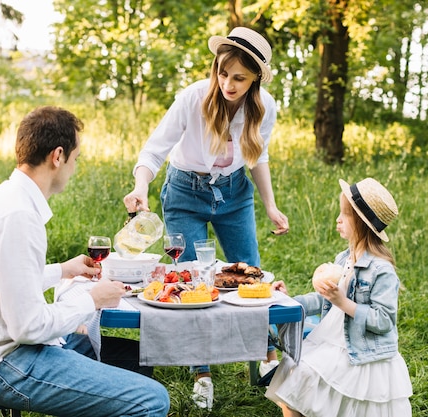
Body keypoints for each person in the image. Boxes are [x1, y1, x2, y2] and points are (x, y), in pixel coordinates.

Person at [0, 106, 170, 417]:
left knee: (137, 357)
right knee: (153, 400)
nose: (74, 167)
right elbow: (29, 327)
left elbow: (8, 282)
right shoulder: (19, 217)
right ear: (57, 156)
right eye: (75, 159)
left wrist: (63, 271)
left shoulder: (4, 199)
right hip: (5, 363)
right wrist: (92, 300)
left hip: (3, 344)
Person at [123, 26, 289, 410]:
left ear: (255, 80)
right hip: (184, 191)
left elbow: (257, 156)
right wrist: (141, 187)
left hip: (233, 193)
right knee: (195, 278)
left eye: (239, 78)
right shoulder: (194, 98)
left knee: (253, 275)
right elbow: (154, 149)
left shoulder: (264, 108)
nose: (228, 84)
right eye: (223, 73)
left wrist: (270, 205)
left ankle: (266, 359)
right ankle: (202, 372)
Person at [268, 178, 413, 417]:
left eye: (344, 214)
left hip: (360, 350)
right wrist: (289, 299)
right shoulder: (344, 258)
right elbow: (324, 299)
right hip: (332, 339)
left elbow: (384, 320)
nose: (337, 219)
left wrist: (343, 302)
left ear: (362, 223)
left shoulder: (381, 270)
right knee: (293, 382)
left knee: (307, 381)